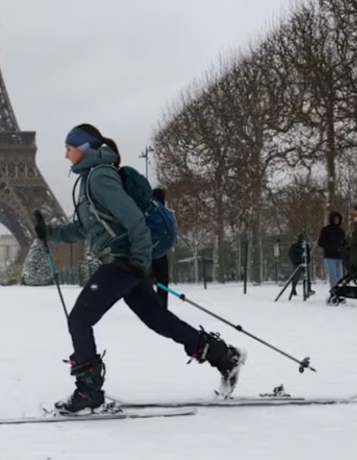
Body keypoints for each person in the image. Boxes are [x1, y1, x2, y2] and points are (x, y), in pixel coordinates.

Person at [32, 123, 246, 414]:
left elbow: (135, 220)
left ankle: (88, 392)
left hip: (123, 261)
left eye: (69, 148)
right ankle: (224, 356)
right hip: (126, 262)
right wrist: (50, 233)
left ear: (84, 148)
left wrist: (138, 262)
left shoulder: (100, 177)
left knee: (80, 320)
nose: (66, 155)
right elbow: (85, 229)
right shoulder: (88, 180)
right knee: (158, 319)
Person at [151, 188, 170, 309]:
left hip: (147, 252)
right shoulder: (165, 213)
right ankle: (162, 308)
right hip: (161, 252)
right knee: (162, 282)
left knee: (145, 283)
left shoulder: (147, 210)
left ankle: (149, 308)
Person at [317, 211, 346, 290]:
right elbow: (321, 242)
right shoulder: (326, 230)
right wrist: (330, 246)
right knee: (333, 275)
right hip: (330, 255)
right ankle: (334, 290)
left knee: (339, 275)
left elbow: (344, 242)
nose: (336, 220)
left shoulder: (341, 231)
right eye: (335, 219)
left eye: (338, 219)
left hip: (339, 256)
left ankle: (339, 290)